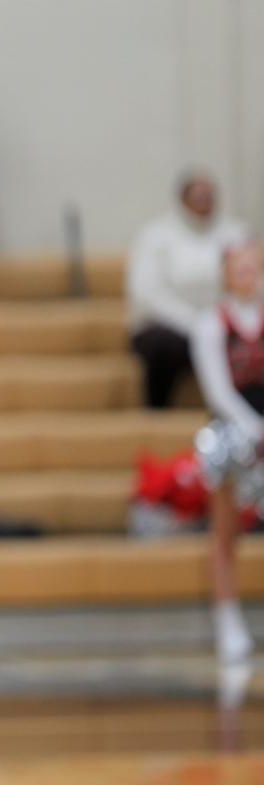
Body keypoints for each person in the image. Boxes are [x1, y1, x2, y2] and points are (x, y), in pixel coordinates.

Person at [192, 242, 264, 664]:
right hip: (230, 430)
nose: (248, 273)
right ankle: (227, 620)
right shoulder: (210, 323)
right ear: (225, 274)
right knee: (225, 533)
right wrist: (253, 429)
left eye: (254, 265)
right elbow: (218, 391)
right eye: (240, 267)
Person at [128, 171, 249, 408]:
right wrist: (195, 322)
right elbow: (147, 292)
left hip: (224, 324)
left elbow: (247, 280)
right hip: (171, 327)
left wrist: (219, 321)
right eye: (199, 196)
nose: (205, 201)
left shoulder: (236, 233)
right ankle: (157, 412)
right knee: (163, 346)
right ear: (183, 199)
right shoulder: (156, 235)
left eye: (209, 196)